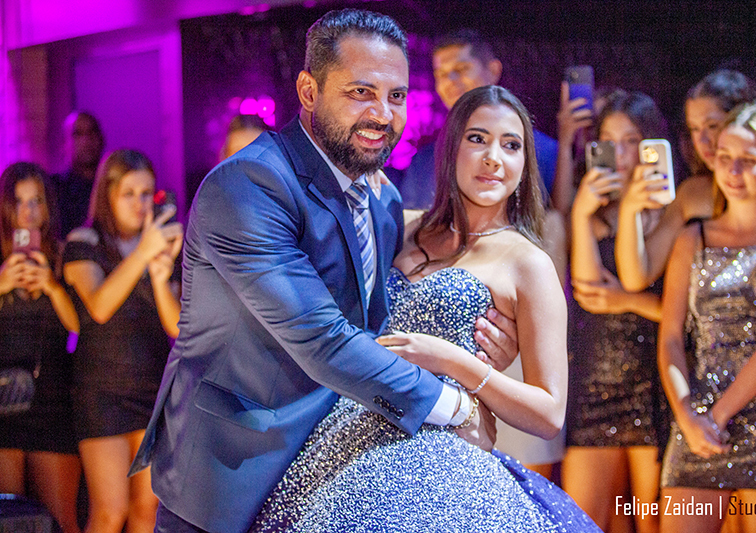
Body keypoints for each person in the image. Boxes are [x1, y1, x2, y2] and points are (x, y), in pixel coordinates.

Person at [129, 10, 519, 533]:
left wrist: (478, 345)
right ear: (308, 91)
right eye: (361, 92)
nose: (383, 114)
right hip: (232, 470)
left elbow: (380, 325)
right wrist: (457, 406)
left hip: (329, 471)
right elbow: (325, 341)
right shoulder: (246, 187)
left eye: (396, 96)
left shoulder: (380, 198)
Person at [251, 84, 599, 533]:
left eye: (511, 145)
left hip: (437, 445)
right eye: (477, 139)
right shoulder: (402, 226)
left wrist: (452, 361)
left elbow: (549, 414)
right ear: (450, 149)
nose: (494, 158)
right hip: (342, 432)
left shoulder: (528, 263)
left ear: (525, 162)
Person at [658, 102, 756, 532]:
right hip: (698, 414)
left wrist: (717, 417)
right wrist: (687, 415)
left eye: (748, 160)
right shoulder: (692, 237)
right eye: (724, 157)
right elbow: (671, 338)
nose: (733, 171)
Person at [564, 90, 668, 533]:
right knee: (583, 520)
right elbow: (588, 290)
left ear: (652, 145)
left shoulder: (670, 212)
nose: (620, 154)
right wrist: (580, 215)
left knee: (652, 521)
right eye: (609, 141)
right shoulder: (593, 213)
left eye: (632, 141)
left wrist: (627, 300)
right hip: (594, 381)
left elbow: (678, 307)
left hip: (654, 384)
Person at [63, 149, 182, 533]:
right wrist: (143, 253)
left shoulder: (160, 245)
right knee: (110, 511)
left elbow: (177, 326)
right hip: (102, 391)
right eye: (128, 193)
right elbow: (99, 306)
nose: (139, 203)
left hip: (152, 385)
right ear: (108, 195)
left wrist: (160, 274)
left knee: (148, 511)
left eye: (146, 193)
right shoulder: (84, 242)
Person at [615, 70, 756, 293]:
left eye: (712, 126)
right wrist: (629, 209)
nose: (702, 140)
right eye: (694, 128)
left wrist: (638, 303)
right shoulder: (691, 192)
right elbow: (637, 276)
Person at [0, 162, 81, 533]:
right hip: (4, 402)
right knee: (8, 519)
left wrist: (52, 286)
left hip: (52, 399)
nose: (28, 211)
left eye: (36, 201)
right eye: (19, 202)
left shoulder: (65, 255)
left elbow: (79, 328)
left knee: (61, 520)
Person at [399, 29, 558, 210]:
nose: (451, 80)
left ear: (493, 70)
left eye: (462, 69)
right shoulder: (424, 161)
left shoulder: (544, 152)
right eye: (442, 74)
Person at [54, 111, 105, 239]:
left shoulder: (113, 186)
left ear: (101, 139)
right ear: (64, 143)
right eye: (78, 134)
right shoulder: (54, 190)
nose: (86, 140)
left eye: (92, 132)